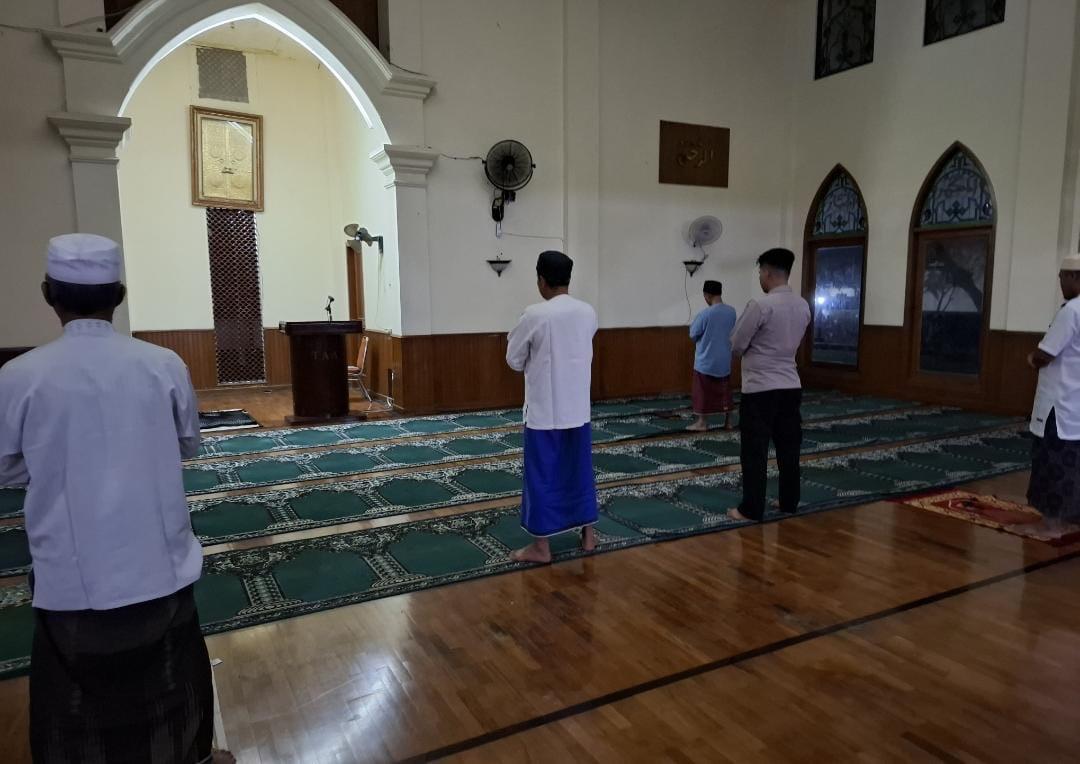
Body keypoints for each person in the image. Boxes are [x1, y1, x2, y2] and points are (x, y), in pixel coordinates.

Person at [0, 234, 232, 763]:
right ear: (120, 296)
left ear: (48, 295)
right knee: (174, 681)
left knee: (73, 704)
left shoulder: (19, 376)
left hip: (70, 576)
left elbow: (7, 467)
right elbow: (188, 444)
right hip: (160, 564)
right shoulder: (163, 364)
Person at [506, 250, 599, 563]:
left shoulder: (535, 314)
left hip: (545, 412)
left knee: (542, 476)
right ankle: (588, 536)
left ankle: (541, 548)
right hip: (578, 409)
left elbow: (513, 359)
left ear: (541, 280)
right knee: (579, 472)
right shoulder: (587, 312)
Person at [728, 248, 812, 523]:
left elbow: (737, 344)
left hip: (760, 389)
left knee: (755, 450)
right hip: (790, 385)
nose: (760, 277)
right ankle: (789, 501)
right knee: (789, 447)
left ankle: (751, 509)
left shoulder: (761, 306)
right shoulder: (803, 305)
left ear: (766, 272)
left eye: (760, 272)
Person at [1024, 255, 1080, 536]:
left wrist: (1031, 359)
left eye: (1062, 278)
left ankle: (1052, 525)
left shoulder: (1072, 311)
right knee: (1074, 462)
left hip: (1059, 404)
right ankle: (1069, 520)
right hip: (1075, 402)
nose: (1060, 284)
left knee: (1053, 460)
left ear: (1074, 277)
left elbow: (1045, 354)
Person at [688, 280, 737, 431]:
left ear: (707, 295)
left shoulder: (705, 314)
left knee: (702, 392)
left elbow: (693, 334)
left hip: (706, 361)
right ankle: (729, 421)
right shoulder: (731, 312)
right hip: (724, 359)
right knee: (725, 391)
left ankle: (702, 422)